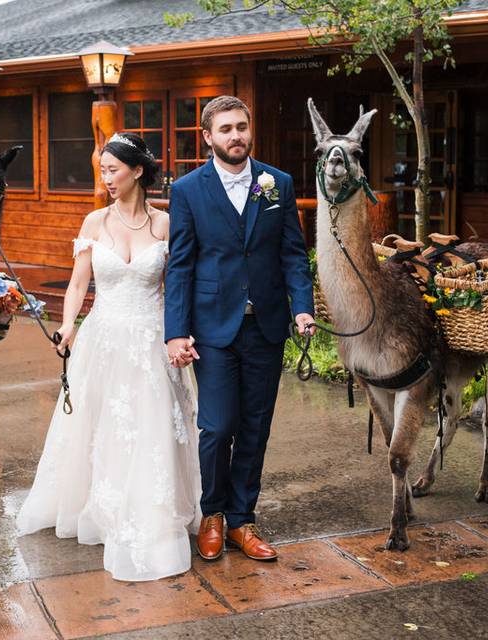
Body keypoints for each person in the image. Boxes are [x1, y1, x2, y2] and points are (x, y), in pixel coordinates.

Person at [16, 132, 201, 582]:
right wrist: (67, 324)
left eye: (113, 170)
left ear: (137, 171)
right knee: (102, 425)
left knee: (151, 423)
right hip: (103, 338)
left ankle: (151, 507)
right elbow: (79, 283)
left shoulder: (165, 224)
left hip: (153, 339)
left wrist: (183, 333)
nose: (106, 179)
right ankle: (99, 505)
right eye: (102, 171)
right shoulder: (94, 222)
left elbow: (179, 286)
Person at [164, 96, 315, 562]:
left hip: (266, 326)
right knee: (216, 425)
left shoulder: (278, 183)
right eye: (226, 129)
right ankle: (212, 514)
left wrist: (303, 308)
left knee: (255, 426)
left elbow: (293, 254)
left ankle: (242, 521)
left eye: (242, 127)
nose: (236, 136)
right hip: (212, 328)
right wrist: (176, 332)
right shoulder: (189, 190)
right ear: (208, 137)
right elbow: (182, 265)